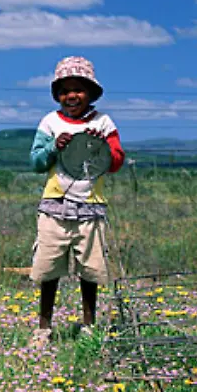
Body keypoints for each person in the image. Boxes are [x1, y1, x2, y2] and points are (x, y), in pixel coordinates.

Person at [29, 56, 125, 348]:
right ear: (58, 94)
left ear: (91, 92)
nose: (71, 96)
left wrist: (102, 148)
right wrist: (52, 148)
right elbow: (36, 162)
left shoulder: (103, 122)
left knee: (90, 270)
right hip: (54, 206)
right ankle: (43, 328)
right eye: (65, 90)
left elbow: (116, 161)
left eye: (79, 89)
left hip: (90, 206)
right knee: (48, 269)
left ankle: (89, 326)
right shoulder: (50, 122)